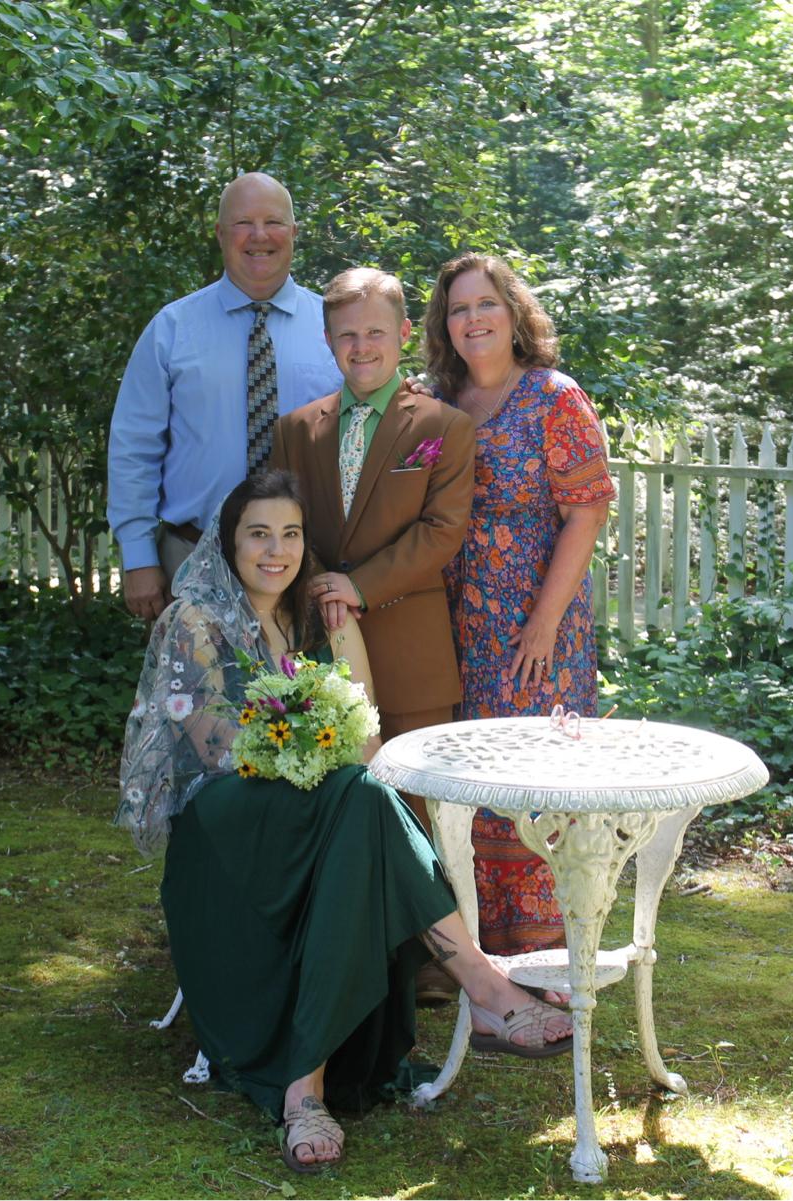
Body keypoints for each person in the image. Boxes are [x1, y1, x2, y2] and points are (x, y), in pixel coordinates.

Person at [114, 470, 574, 1175]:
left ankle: (306, 1091)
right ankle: (485, 988)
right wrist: (309, 754)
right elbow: (219, 747)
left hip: (319, 817)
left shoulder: (314, 620)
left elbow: (366, 738)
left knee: (360, 796)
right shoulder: (195, 620)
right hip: (225, 835)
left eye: (290, 534)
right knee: (356, 798)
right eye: (258, 534)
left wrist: (340, 662)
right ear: (228, 541)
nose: (276, 550)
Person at [422, 253, 617, 957]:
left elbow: (587, 514)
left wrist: (542, 624)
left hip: (538, 631)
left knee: (536, 789)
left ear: (514, 314)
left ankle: (551, 963)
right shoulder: (438, 401)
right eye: (458, 309)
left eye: (485, 305)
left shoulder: (554, 396)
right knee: (471, 787)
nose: (472, 319)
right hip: (457, 630)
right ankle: (482, 961)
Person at [268, 267, 475, 832]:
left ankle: (429, 923)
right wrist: (319, 584)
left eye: (375, 333)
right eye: (347, 335)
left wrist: (358, 586)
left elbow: (442, 529)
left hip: (412, 651)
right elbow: (282, 525)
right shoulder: (295, 430)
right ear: (328, 340)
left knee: (420, 815)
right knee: (330, 807)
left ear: (404, 332)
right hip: (319, 647)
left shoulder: (445, 426)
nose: (362, 348)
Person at [107, 172, 344, 622]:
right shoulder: (172, 330)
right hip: (192, 557)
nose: (259, 236)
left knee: (301, 692)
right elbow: (134, 448)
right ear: (219, 233)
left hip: (304, 565)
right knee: (194, 693)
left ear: (294, 233)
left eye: (273, 221)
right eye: (242, 223)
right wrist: (138, 555)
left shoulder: (335, 329)